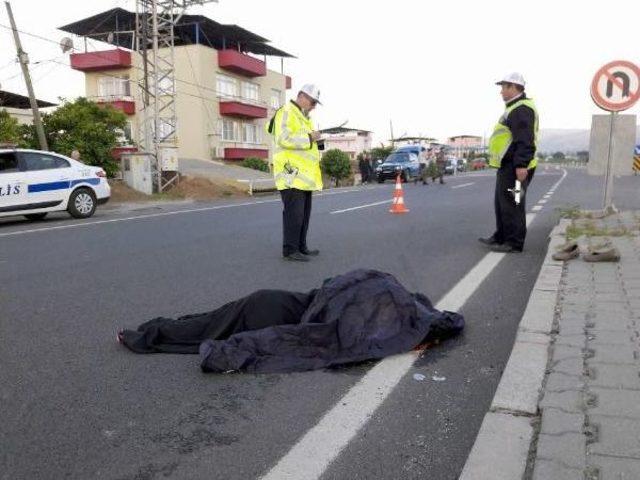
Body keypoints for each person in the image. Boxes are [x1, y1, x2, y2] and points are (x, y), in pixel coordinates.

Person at [479, 72, 538, 253]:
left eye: (504, 87)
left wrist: (521, 165)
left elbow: (525, 140)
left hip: (516, 167)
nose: (501, 92)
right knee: (502, 203)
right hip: (507, 166)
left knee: (514, 203)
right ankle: (501, 236)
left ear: (514, 87)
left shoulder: (521, 109)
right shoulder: (513, 107)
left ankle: (514, 242)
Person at [267, 84, 323, 262]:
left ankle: (301, 246)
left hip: (304, 177)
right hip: (290, 174)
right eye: (313, 102)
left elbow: (305, 146)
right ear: (302, 96)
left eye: (315, 104)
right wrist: (309, 138)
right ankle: (290, 250)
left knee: (304, 214)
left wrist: (314, 140)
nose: (314, 106)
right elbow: (283, 139)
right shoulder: (286, 111)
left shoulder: (304, 118)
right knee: (294, 214)